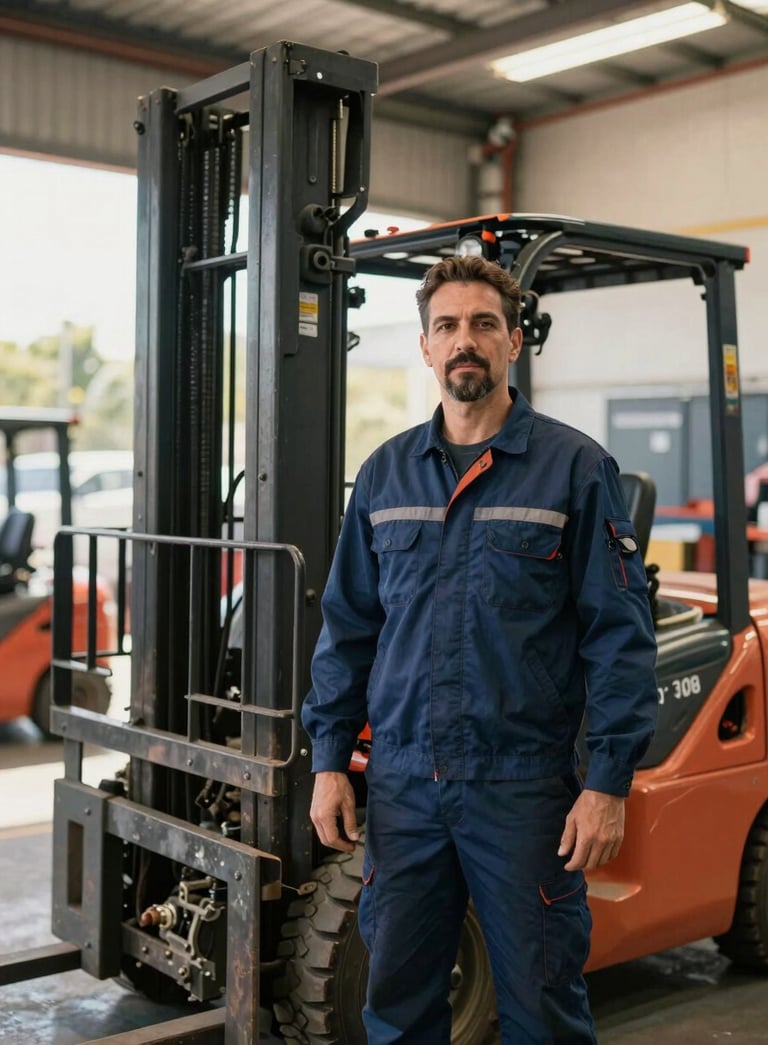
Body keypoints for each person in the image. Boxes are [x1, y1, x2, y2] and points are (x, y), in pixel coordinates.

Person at [302, 254, 658, 1044]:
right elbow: (348, 628)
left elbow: (620, 637)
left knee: (542, 1009)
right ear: (426, 348)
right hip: (402, 786)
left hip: (525, 791)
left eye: (484, 324)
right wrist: (328, 759)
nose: (466, 340)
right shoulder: (385, 475)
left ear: (514, 342)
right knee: (397, 1006)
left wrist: (607, 783)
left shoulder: (574, 468)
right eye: (448, 326)